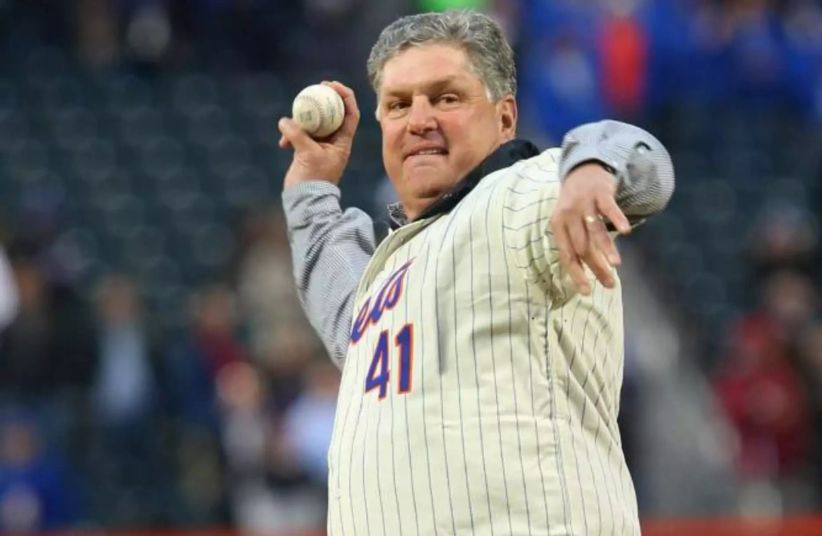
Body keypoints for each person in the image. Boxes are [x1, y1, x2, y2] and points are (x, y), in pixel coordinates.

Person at [277, 10, 674, 534]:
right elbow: (344, 310)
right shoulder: (391, 266)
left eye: (445, 97)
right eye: (399, 104)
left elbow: (643, 164)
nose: (419, 119)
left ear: (505, 118)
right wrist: (312, 189)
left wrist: (590, 169)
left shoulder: (519, 196)